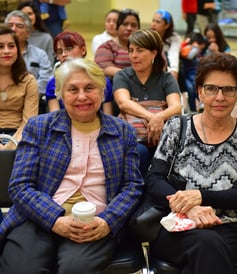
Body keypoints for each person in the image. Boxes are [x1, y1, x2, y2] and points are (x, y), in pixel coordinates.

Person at [0, 58, 144, 272]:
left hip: (94, 222)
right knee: (22, 268)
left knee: (74, 269)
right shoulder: (39, 127)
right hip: (37, 217)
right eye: (73, 89)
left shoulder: (123, 131)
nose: (82, 96)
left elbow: (132, 186)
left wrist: (107, 222)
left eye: (89, 88)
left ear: (103, 91)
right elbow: (20, 186)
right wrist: (55, 220)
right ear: (60, 94)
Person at [146, 52, 237, 274]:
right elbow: (154, 181)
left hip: (229, 227)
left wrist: (200, 196)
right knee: (207, 246)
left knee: (208, 249)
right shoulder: (176, 128)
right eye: (211, 88)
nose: (219, 97)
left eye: (228, 89)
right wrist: (189, 208)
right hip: (177, 224)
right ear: (199, 91)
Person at [113, 29, 182, 177]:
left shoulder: (166, 78)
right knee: (140, 152)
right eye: (131, 50)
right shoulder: (122, 76)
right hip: (133, 139)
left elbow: (176, 107)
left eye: (140, 50)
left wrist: (159, 118)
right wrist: (153, 117)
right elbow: (123, 103)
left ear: (154, 53)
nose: (134, 56)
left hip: (161, 139)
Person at [46, 31, 113, 115]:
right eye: (59, 52)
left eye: (69, 48)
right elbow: (55, 117)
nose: (64, 54)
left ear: (83, 50)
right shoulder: (53, 83)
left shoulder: (103, 81)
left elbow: (108, 115)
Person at [5, 10, 53, 114]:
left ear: (28, 33)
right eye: (10, 25)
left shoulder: (40, 54)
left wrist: (22, 94)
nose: (13, 29)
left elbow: (45, 81)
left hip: (34, 103)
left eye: (19, 26)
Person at [0, 25, 38, 149]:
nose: (6, 51)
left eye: (11, 46)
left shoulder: (28, 80)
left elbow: (29, 122)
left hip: (19, 136)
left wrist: (10, 147)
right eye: (0, 47)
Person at [95, 8, 140, 78]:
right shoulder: (106, 47)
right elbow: (104, 68)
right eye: (125, 24)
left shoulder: (146, 46)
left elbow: (159, 64)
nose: (129, 28)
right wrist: (133, 76)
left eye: (133, 25)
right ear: (117, 27)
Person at [17, 1, 55, 66]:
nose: (27, 17)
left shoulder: (46, 38)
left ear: (36, 16)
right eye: (23, 14)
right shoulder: (12, 36)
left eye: (30, 13)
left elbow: (49, 65)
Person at [179, 32, 207, 112]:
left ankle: (199, 104)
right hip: (187, 76)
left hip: (193, 76)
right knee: (191, 90)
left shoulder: (195, 50)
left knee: (194, 89)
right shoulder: (190, 48)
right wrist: (195, 48)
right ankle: (193, 110)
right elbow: (189, 56)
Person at [150, 9, 181, 79]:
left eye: (158, 22)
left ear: (167, 25)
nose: (153, 24)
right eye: (153, 21)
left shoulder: (174, 38)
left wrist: (173, 85)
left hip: (167, 71)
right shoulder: (147, 36)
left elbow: (174, 62)